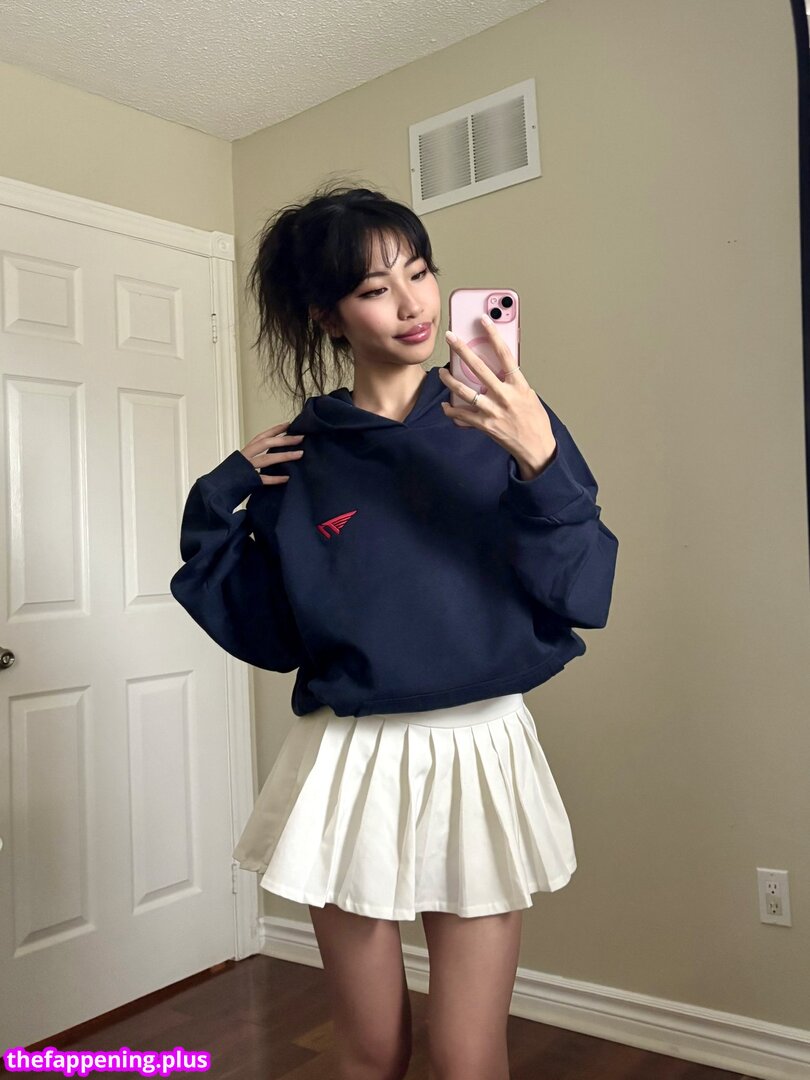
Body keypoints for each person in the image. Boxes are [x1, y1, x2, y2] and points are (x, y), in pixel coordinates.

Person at [170, 179, 619, 1080]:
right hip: (349, 760)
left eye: (420, 272)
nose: (413, 304)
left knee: (466, 1055)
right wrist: (221, 493)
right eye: (376, 288)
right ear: (328, 316)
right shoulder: (304, 459)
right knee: (370, 1050)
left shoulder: (506, 418)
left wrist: (540, 456)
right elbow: (269, 631)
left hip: (480, 748)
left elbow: (582, 586)